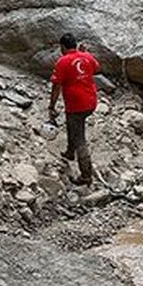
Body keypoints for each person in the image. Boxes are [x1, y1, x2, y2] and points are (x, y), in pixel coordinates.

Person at [48, 33, 99, 185]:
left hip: (76, 104)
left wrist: (51, 105)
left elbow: (56, 86)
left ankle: (86, 176)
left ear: (63, 47)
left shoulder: (63, 61)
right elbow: (96, 67)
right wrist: (84, 53)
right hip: (90, 101)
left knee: (80, 139)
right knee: (73, 124)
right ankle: (70, 152)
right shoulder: (87, 57)